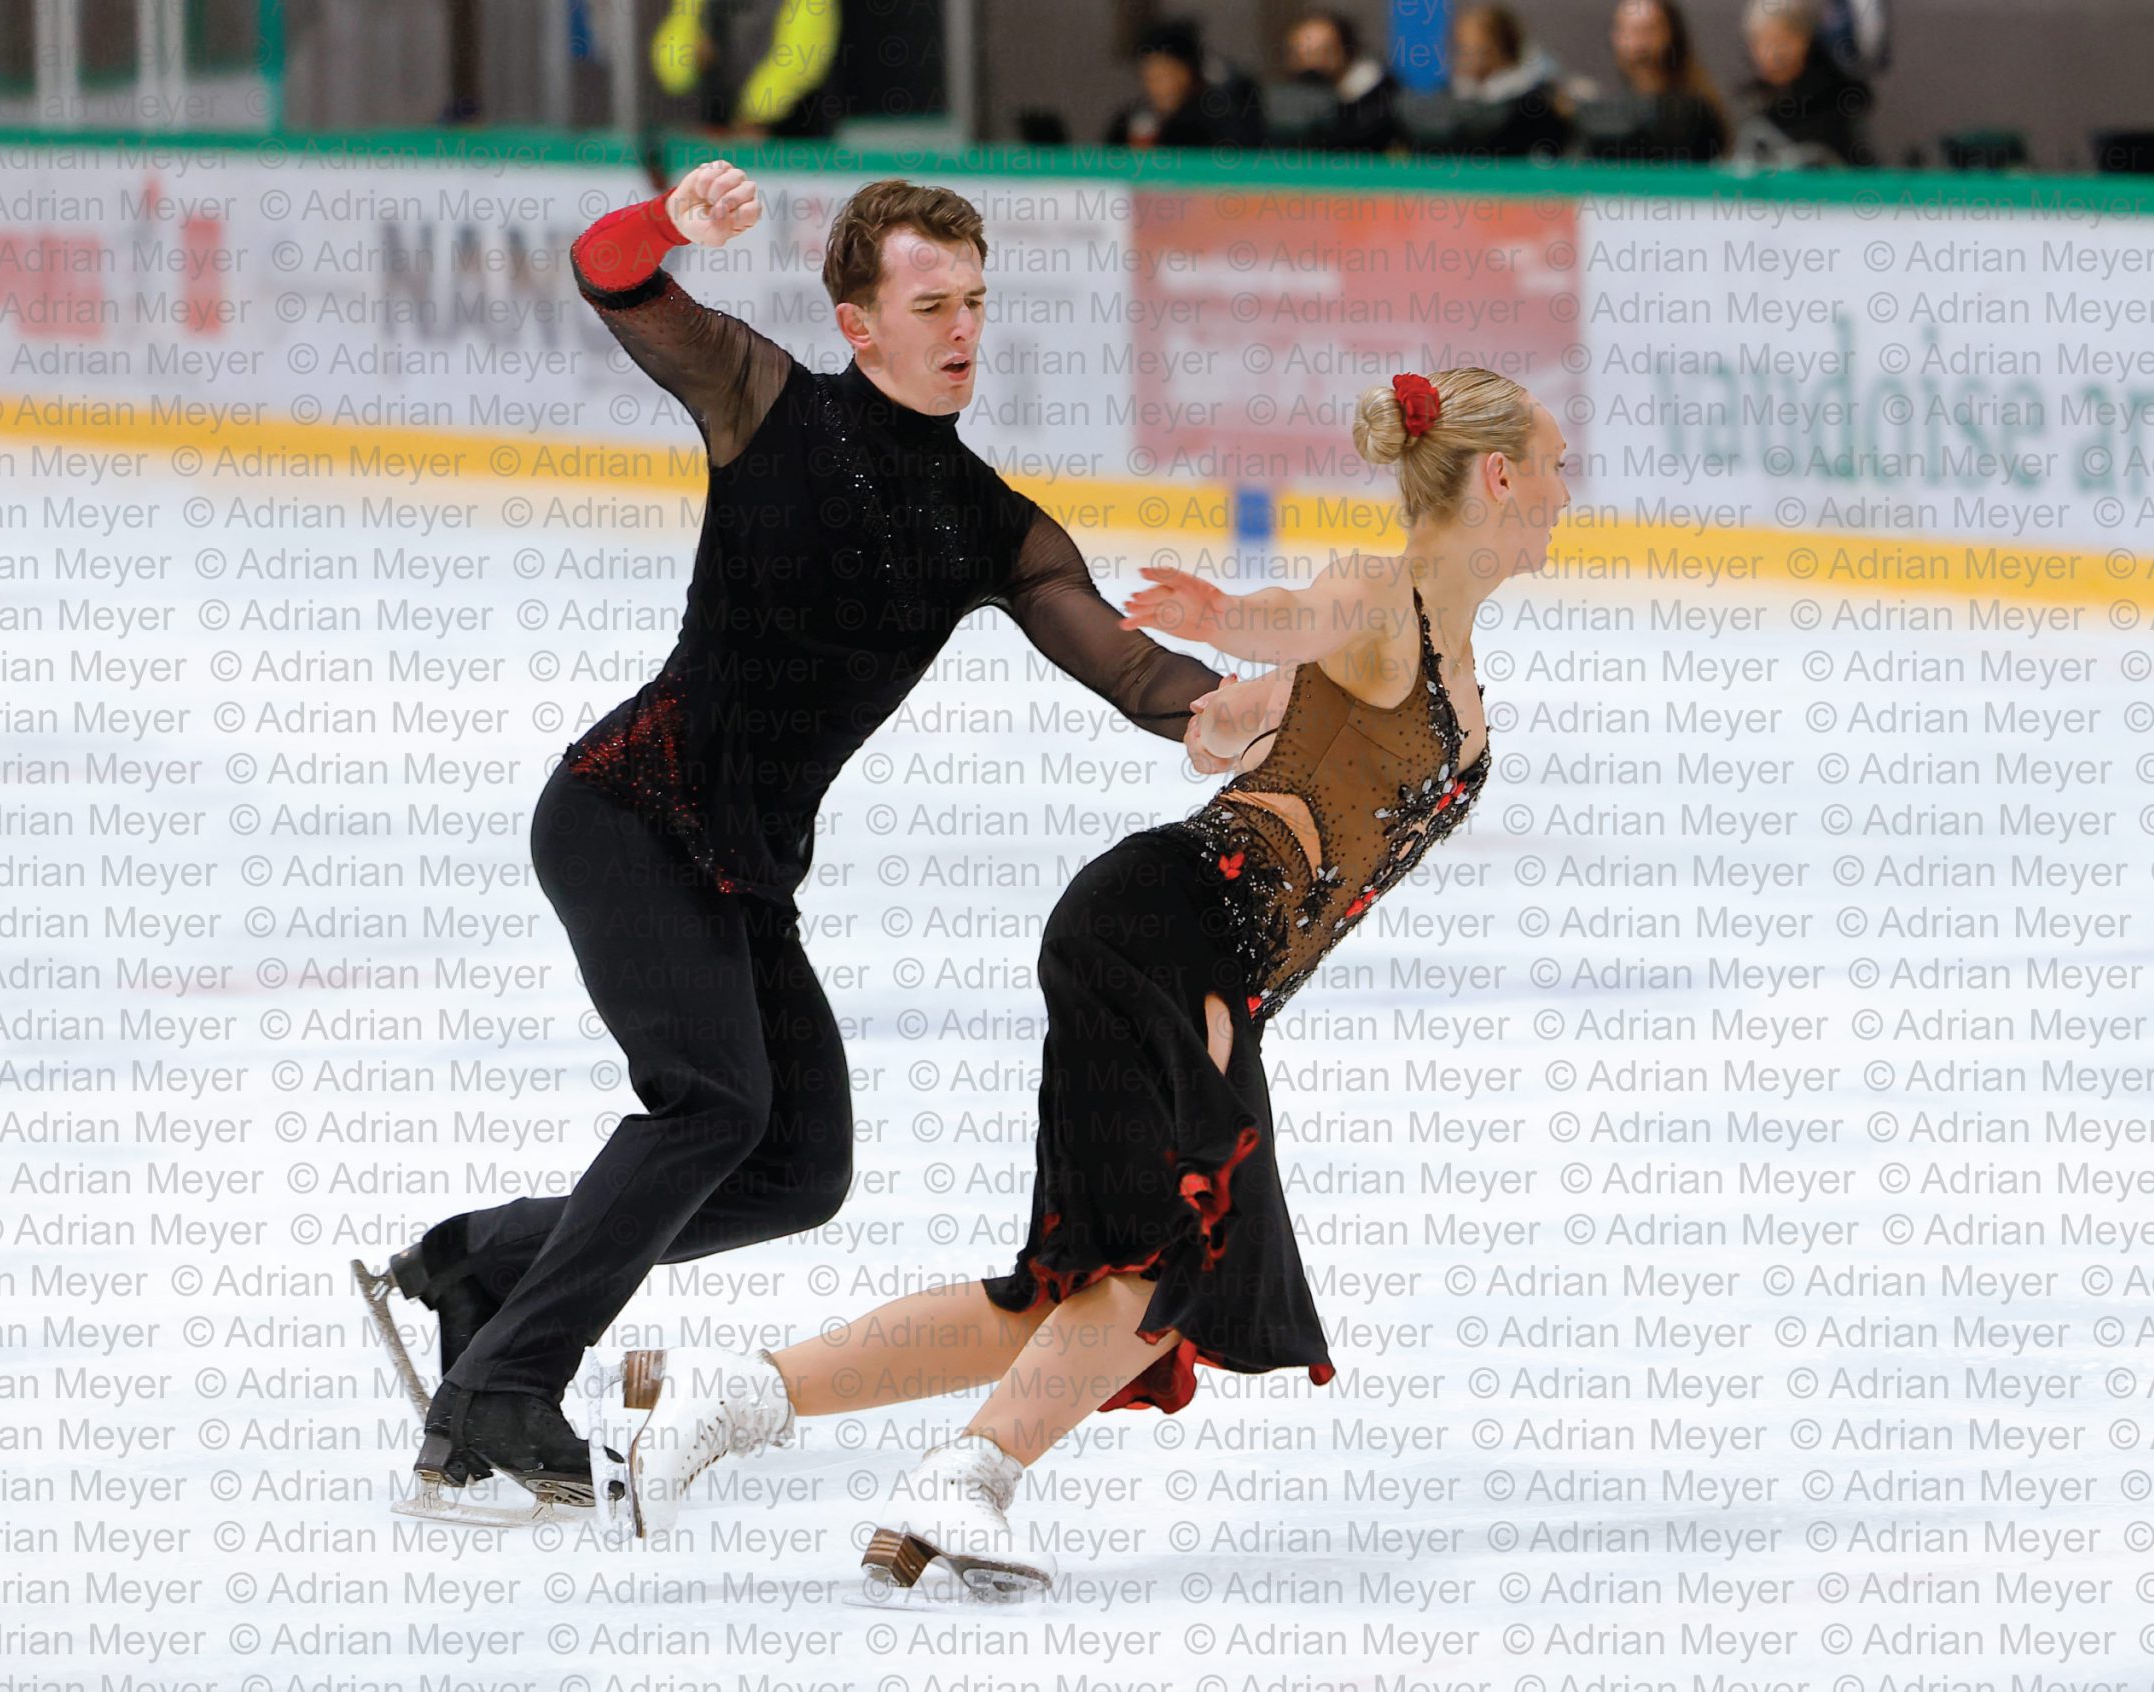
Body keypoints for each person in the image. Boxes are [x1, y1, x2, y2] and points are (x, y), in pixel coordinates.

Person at [616, 368, 1572, 1597]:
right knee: (1186, 1256)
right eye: (1555, 463)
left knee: (1072, 1290)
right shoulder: (1383, 599)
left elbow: (1271, 710)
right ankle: (965, 1478)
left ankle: (740, 1394)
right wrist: (1232, 619)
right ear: (1497, 476)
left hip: (1185, 952)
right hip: (1170, 930)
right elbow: (1304, 614)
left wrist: (1236, 713)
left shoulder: (1454, 666)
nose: (1565, 492)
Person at [357, 164, 1229, 1511]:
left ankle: (487, 1264)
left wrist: (1242, 712)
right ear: (857, 322)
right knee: (711, 1103)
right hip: (627, 816)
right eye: (931, 303)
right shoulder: (765, 404)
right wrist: (668, 228)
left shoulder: (992, 525)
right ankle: (496, 1399)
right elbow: (607, 269)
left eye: (977, 303)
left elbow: (1128, 669)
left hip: (744, 876)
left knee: (794, 1166)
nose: (962, 331)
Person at [649, 0, 845, 141]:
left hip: (791, 139)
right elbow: (671, 59)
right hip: (719, 134)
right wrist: (689, 57)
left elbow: (800, 63)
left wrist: (752, 118)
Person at [1735, 0, 1875, 166]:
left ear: (1803, 41)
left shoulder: (1834, 101)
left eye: (1778, 40)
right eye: (1759, 43)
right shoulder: (1753, 103)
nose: (1769, 54)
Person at [1589, 0, 1730, 163]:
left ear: (1671, 34)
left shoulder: (1696, 112)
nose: (1638, 44)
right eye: (1629, 31)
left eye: (1648, 30)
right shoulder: (1606, 112)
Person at [1106, 18, 1265, 149]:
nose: (1160, 88)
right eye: (1151, 78)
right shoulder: (1131, 120)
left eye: (1167, 75)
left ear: (1190, 73)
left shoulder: (1219, 119)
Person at [1447, 5, 1573, 158]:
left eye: (1476, 47)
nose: (1465, 57)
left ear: (1500, 46)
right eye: (1461, 47)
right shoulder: (1455, 100)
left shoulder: (1538, 106)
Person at [1279, 9, 1401, 153]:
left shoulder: (1382, 101)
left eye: (1322, 52)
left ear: (1346, 50)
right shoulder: (1292, 100)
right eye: (1299, 55)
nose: (1310, 63)